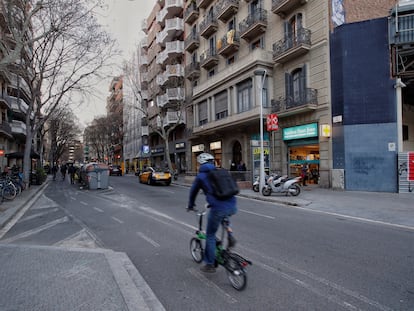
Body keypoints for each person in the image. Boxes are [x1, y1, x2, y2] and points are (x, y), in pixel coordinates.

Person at [187, 152, 237, 273]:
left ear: (200, 164)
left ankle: (209, 264)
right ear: (212, 162)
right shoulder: (221, 172)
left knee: (210, 235)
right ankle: (230, 234)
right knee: (225, 218)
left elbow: (193, 192)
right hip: (232, 205)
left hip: (218, 208)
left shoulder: (201, 176)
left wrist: (191, 205)